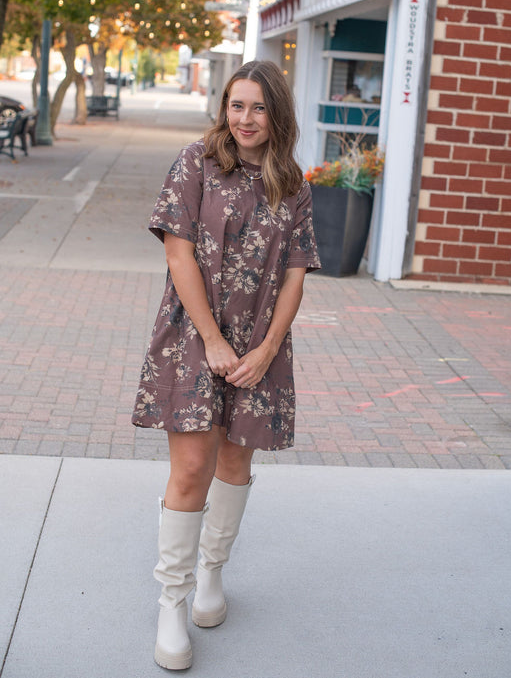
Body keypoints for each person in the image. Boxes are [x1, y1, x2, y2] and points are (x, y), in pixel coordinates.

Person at [132, 60, 321, 670]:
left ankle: (213, 574)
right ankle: (172, 601)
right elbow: (178, 253)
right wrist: (213, 340)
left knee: (236, 461)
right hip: (195, 337)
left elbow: (295, 277)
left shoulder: (293, 184)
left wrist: (266, 349)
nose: (245, 119)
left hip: (260, 342)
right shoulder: (197, 162)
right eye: (236, 105)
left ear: (277, 115)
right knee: (191, 468)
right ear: (224, 108)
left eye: (259, 108)